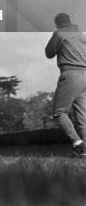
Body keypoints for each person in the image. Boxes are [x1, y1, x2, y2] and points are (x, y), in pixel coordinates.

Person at [45, 12, 86, 157]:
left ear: (58, 24)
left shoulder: (60, 34)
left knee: (59, 112)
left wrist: (55, 36)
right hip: (85, 75)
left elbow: (49, 53)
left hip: (71, 75)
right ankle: (84, 152)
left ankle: (78, 143)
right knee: (82, 115)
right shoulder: (81, 35)